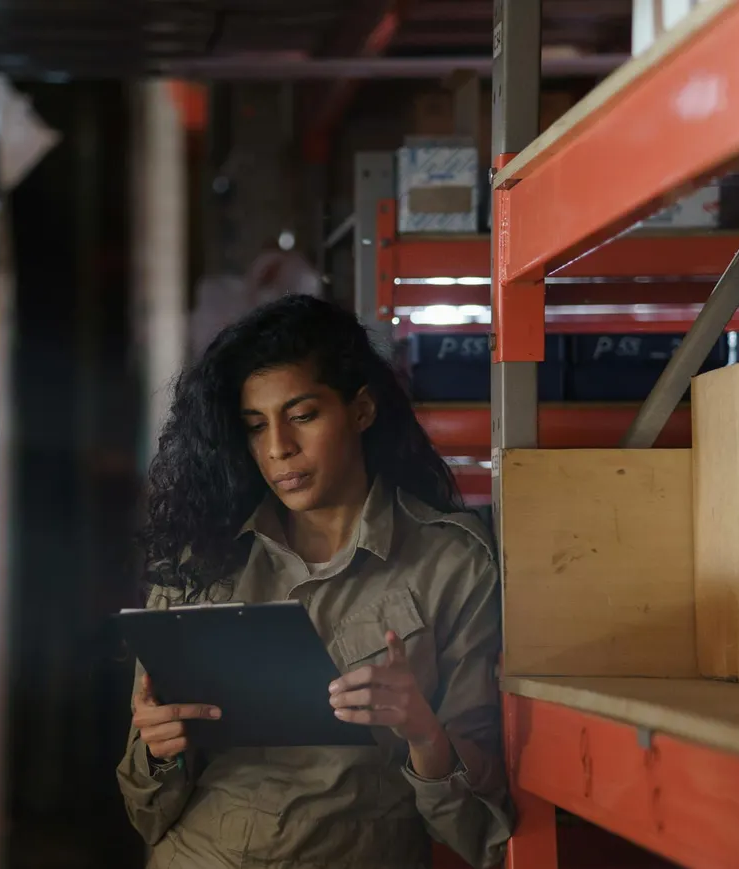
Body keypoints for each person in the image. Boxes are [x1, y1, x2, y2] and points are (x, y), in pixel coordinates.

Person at [116, 295, 511, 868]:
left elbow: (483, 833)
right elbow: (145, 813)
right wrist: (158, 751)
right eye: (256, 426)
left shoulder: (452, 564)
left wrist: (424, 733)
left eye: (302, 415)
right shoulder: (198, 563)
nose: (279, 448)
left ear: (362, 410)